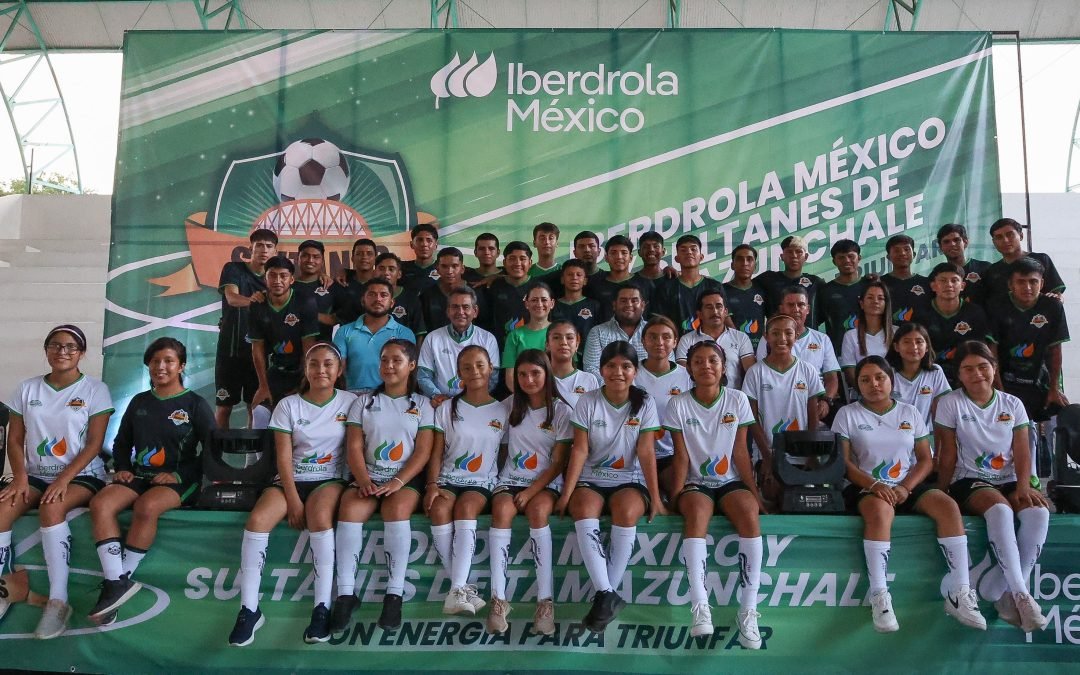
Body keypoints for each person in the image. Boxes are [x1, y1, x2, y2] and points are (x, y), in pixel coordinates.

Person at [835, 356, 986, 633]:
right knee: (881, 511)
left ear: (891, 379)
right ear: (857, 385)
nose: (873, 384)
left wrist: (906, 487)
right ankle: (880, 596)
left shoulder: (910, 412)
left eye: (879, 377)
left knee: (947, 506)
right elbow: (844, 464)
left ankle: (961, 593)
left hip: (907, 485)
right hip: (867, 487)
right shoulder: (848, 414)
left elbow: (925, 460)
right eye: (865, 380)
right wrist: (875, 485)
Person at [228, 343, 356, 646]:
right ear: (306, 368)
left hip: (330, 479)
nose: (321, 370)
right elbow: (283, 459)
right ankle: (249, 609)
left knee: (320, 517)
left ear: (339, 371)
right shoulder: (288, 405)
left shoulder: (352, 402)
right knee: (257, 520)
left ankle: (321, 608)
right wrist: (293, 499)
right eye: (314, 364)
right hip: (291, 480)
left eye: (328, 364)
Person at [89, 337, 215, 623]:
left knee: (146, 507)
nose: (161, 366)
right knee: (101, 504)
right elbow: (122, 442)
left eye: (169, 361)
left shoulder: (195, 404)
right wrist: (121, 467)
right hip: (139, 477)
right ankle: (116, 582)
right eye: (155, 361)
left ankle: (116, 586)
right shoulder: (139, 401)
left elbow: (212, 451)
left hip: (180, 481)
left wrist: (179, 474)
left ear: (181, 366)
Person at [0, 325, 113, 638]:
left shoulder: (94, 389)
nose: (62, 351)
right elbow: (16, 438)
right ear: (46, 349)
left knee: (52, 509)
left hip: (82, 475)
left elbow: (93, 443)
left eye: (70, 347)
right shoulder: (26, 389)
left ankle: (58, 601)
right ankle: (3, 588)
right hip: (35, 475)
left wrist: (63, 480)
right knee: (1, 511)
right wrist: (20, 478)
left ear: (82, 353)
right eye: (55, 345)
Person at [935, 341, 1051, 634]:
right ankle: (1022, 595)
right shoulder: (950, 403)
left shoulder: (1012, 403)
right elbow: (946, 453)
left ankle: (1011, 593)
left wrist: (1024, 486)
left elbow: (1023, 451)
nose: (977, 374)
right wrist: (940, 490)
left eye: (983, 367)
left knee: (1038, 513)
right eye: (968, 369)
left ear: (994, 368)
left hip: (1009, 478)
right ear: (959, 375)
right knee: (999, 510)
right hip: (969, 479)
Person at [555, 341, 665, 633]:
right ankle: (606, 595)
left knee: (627, 512)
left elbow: (646, 452)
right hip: (591, 477)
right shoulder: (588, 400)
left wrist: (655, 497)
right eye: (611, 366)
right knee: (582, 507)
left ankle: (605, 596)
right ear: (601, 370)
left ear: (635, 371)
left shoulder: (646, 402)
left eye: (626, 366)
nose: (618, 372)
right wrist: (566, 493)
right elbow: (578, 451)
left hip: (629, 479)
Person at [666, 341, 765, 647]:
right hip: (696, 482)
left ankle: (748, 610)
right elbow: (680, 457)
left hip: (730, 480)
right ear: (689, 367)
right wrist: (674, 496)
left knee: (750, 512)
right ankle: (700, 607)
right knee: (696, 513)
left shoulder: (736, 399)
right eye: (698, 361)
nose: (706, 366)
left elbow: (741, 453)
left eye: (713, 360)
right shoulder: (678, 403)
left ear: (724, 366)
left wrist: (755, 492)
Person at [333, 340, 434, 631]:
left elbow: (423, 451)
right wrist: (364, 480)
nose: (389, 366)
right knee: (349, 511)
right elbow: (354, 445)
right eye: (384, 360)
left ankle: (394, 595)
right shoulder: (362, 402)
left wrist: (398, 481)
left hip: (404, 479)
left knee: (397, 511)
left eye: (397, 361)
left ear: (411, 366)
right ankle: (345, 594)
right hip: (369, 476)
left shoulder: (423, 405)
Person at [486, 350, 572, 635]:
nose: (528, 379)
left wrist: (533, 490)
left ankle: (545, 603)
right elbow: (500, 449)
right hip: (511, 479)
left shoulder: (561, 410)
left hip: (545, 483)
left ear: (547, 373)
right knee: (501, 511)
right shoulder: (508, 406)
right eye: (522, 374)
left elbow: (560, 461)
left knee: (538, 512)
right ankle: (498, 600)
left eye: (535, 373)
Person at [425, 346, 510, 616]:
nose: (474, 372)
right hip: (448, 478)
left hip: (481, 481)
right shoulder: (446, 407)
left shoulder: (502, 409)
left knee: (466, 509)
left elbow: (505, 452)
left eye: (480, 366)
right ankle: (458, 590)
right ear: (459, 373)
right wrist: (432, 485)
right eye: (467, 367)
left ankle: (457, 588)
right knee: (438, 509)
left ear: (490, 370)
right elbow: (436, 451)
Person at [743, 315, 825, 494]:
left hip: (801, 454)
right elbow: (752, 419)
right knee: (773, 496)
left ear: (796, 336)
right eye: (775, 333)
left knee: (800, 501)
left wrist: (811, 453)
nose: (782, 339)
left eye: (788, 333)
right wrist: (767, 456)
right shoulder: (755, 373)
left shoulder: (807, 370)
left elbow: (813, 416)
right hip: (767, 454)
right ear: (766, 336)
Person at [988, 256, 1070, 424]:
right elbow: (992, 350)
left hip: (1041, 382)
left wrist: (1054, 388)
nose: (1028, 287)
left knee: (1050, 432)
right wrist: (998, 388)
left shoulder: (1053, 306)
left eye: (1033, 282)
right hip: (1008, 381)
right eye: (1021, 282)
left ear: (1042, 283)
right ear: (1011, 284)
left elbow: (1055, 350)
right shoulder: (996, 306)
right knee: (1010, 429)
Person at [216, 228, 277, 427]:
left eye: (269, 246)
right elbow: (232, 298)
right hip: (229, 352)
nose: (264, 250)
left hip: (257, 355)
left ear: (275, 251)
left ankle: (251, 459)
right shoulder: (233, 269)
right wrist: (255, 302)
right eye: (259, 245)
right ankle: (217, 456)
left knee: (255, 408)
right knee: (224, 408)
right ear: (251, 248)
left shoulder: (275, 281)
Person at [755, 287, 841, 416]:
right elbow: (762, 375)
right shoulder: (768, 339)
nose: (796, 309)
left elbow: (831, 378)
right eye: (790, 305)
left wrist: (826, 401)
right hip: (780, 402)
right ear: (781, 308)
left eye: (801, 305)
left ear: (808, 309)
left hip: (817, 402)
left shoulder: (822, 339)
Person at [248, 256, 319, 412]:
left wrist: (305, 382)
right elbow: (257, 348)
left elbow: (309, 347)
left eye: (283, 276)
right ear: (265, 279)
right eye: (272, 275)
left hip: (302, 372)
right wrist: (263, 386)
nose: (277, 280)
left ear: (292, 279)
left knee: (299, 416)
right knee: (258, 410)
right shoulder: (257, 305)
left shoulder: (305, 301)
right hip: (276, 370)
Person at [634, 316, 692, 499]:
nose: (659, 342)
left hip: (673, 455)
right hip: (635, 455)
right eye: (652, 336)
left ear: (675, 342)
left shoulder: (687, 376)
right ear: (643, 341)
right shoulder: (630, 373)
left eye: (666, 337)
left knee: (680, 497)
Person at [418, 286, 500, 405]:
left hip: (475, 404)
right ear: (448, 311)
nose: (460, 312)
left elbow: (492, 378)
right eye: (455, 307)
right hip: (441, 405)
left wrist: (469, 400)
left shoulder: (488, 339)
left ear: (475, 311)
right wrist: (438, 396)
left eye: (466, 307)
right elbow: (423, 376)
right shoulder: (432, 338)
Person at [913, 262, 991, 386]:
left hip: (967, 378)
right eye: (943, 281)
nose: (949, 285)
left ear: (962, 286)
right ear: (933, 286)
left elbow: (982, 349)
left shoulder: (975, 312)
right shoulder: (921, 313)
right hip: (929, 377)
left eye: (954, 280)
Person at [334, 278, 417, 393]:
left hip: (389, 395)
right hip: (352, 395)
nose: (378, 299)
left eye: (383, 295)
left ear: (392, 302)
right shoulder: (344, 331)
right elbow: (338, 369)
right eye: (372, 295)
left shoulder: (404, 333)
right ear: (363, 300)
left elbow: (408, 371)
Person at [674, 290, 755, 390]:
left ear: (725, 312)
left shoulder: (741, 338)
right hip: (695, 401)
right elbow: (681, 375)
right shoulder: (686, 340)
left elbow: (752, 374)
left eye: (719, 306)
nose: (715, 311)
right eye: (709, 307)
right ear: (699, 314)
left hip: (732, 400)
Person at [982, 218, 1065, 305]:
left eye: (1010, 235)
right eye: (999, 237)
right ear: (994, 242)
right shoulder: (992, 270)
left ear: (1021, 236)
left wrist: (1058, 299)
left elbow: (1056, 294)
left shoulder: (1041, 260)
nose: (1005, 240)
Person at [652, 234, 724, 334]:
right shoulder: (665, 288)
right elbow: (659, 322)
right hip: (676, 345)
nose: (689, 252)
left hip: (710, 345)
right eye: (683, 250)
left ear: (701, 257)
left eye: (693, 249)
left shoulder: (714, 286)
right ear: (677, 258)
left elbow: (725, 318)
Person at [885, 322, 951, 428]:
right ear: (896, 347)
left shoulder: (935, 372)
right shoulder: (886, 373)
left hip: (927, 435)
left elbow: (940, 411)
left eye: (919, 342)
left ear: (927, 347)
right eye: (907, 342)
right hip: (894, 435)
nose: (914, 347)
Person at [754, 236, 825, 327]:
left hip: (808, 338)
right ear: (782, 256)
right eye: (789, 252)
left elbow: (827, 312)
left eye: (799, 252)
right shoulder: (768, 279)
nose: (794, 256)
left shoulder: (816, 283)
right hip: (778, 338)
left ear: (806, 257)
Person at [585, 235, 652, 324]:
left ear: (631, 258)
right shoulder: (594, 284)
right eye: (613, 253)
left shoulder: (645, 284)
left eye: (624, 253)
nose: (619, 257)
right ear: (606, 258)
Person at [840, 280, 895, 390]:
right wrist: (868, 391)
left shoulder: (897, 333)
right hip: (864, 394)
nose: (875, 301)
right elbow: (850, 373)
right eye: (870, 297)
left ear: (886, 303)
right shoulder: (850, 336)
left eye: (880, 298)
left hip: (895, 392)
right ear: (861, 303)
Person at [582, 286, 648, 376]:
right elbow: (591, 369)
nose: (629, 304)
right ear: (614, 305)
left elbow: (666, 363)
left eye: (634, 301)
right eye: (623, 301)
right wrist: (617, 386)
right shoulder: (597, 333)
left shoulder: (654, 331)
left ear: (643, 305)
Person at [480, 241, 536, 345]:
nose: (517, 263)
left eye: (522, 259)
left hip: (530, 348)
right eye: (512, 258)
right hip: (498, 348)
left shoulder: (539, 287)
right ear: (505, 262)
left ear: (530, 263)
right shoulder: (493, 286)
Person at [502, 284, 555, 392]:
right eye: (534, 300)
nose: (539, 304)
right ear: (527, 304)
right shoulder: (515, 335)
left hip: (554, 397)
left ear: (552, 303)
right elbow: (510, 377)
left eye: (544, 300)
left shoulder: (560, 333)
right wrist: (526, 400)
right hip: (524, 399)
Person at [820, 239, 868, 354]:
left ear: (859, 258)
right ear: (834, 261)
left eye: (851, 256)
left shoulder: (870, 286)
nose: (847, 261)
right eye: (841, 257)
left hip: (868, 349)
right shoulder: (826, 290)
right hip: (837, 352)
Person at [291, 239, 344, 342]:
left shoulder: (331, 286)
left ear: (322, 261)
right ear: (298, 259)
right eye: (305, 255)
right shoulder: (287, 287)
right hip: (290, 351)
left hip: (322, 350)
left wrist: (312, 315)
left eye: (316, 257)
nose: (310, 260)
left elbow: (340, 317)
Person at [550, 259, 600, 362]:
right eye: (570, 274)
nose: (574, 278)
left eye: (579, 275)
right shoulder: (553, 305)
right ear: (562, 279)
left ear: (585, 280)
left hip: (588, 358)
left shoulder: (594, 305)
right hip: (558, 357)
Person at [546, 320, 601, 408]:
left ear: (577, 344)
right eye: (556, 337)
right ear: (547, 344)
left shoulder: (589, 380)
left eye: (569, 338)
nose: (563, 342)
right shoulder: (540, 378)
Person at [420, 247, 473, 334]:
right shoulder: (427, 295)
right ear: (437, 269)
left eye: (454, 266)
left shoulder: (475, 293)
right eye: (444, 266)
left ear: (462, 269)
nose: (449, 271)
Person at [723, 244, 767, 348]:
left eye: (749, 259)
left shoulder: (763, 290)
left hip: (758, 350)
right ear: (732, 265)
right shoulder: (721, 290)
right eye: (739, 259)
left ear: (755, 266)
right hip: (730, 349)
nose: (745, 263)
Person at [372, 252, 425, 336]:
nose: (386, 273)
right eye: (381, 268)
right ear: (374, 272)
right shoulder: (368, 297)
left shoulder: (411, 299)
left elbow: (419, 333)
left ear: (399, 274)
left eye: (391, 269)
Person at [880, 234, 930, 324]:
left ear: (914, 254)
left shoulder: (926, 283)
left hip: (919, 336)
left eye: (906, 249)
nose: (902, 253)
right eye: (896, 250)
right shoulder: (880, 283)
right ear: (888, 257)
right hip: (889, 336)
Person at [330, 238, 380, 326]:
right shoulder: (341, 283)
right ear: (352, 258)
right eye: (359, 254)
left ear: (376, 258)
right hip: (349, 337)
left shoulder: (383, 284)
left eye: (369, 254)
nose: (364, 257)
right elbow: (332, 318)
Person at [936, 224, 991, 304]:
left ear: (965, 242)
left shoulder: (985, 268)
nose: (952, 244)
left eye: (956, 240)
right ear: (941, 247)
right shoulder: (937, 276)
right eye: (946, 241)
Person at [400, 222, 441, 292]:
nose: (424, 244)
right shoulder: (401, 269)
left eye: (429, 240)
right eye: (420, 240)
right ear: (411, 244)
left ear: (436, 245)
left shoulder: (444, 269)